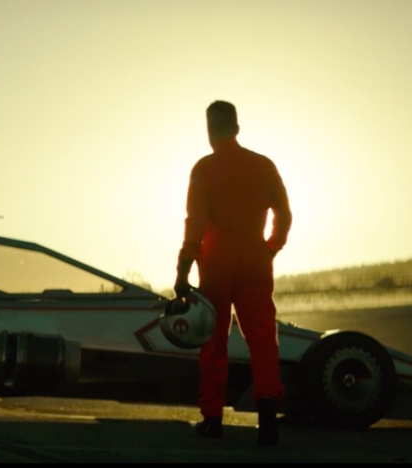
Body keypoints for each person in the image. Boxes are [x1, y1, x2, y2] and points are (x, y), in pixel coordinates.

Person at [174, 100, 292, 447]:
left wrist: (183, 270)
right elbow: (284, 214)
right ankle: (267, 417)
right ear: (237, 128)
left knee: (213, 341)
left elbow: (195, 224)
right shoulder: (263, 165)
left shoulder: (204, 169)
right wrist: (270, 247)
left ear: (210, 130)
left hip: (216, 263)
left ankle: (213, 420)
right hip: (255, 259)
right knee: (262, 340)